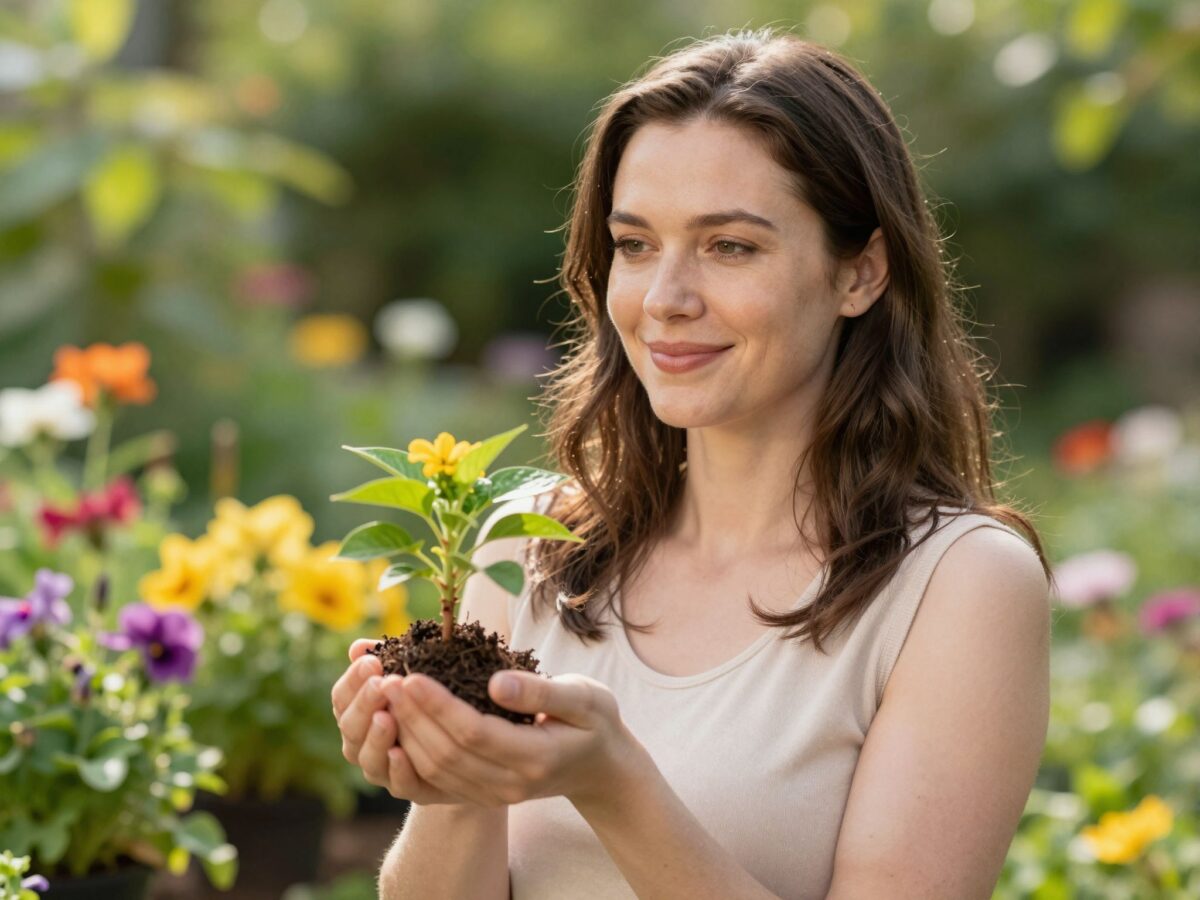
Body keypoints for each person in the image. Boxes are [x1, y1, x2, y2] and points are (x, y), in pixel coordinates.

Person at [331, 27, 1051, 900]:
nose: (665, 300)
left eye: (729, 247)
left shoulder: (959, 585)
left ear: (860, 274)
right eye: (635, 245)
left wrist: (615, 785)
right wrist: (456, 776)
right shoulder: (527, 543)